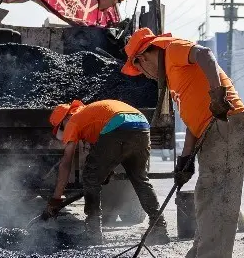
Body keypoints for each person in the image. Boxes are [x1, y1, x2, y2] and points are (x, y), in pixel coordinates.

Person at [122, 28, 244, 258]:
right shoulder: (174, 79)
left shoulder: (172, 50)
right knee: (207, 198)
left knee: (217, 198)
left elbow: (205, 54)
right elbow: (193, 121)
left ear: (144, 56)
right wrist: (186, 159)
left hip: (227, 125)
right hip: (212, 131)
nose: (146, 76)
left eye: (142, 70)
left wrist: (218, 93)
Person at [44, 99, 166, 246]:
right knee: (140, 179)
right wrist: (106, 170)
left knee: (90, 177)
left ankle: (93, 232)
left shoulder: (73, 121)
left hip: (119, 125)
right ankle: (159, 228)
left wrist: (56, 199)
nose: (65, 131)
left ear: (65, 118)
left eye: (61, 127)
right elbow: (109, 152)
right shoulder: (92, 115)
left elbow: (66, 163)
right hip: (141, 124)